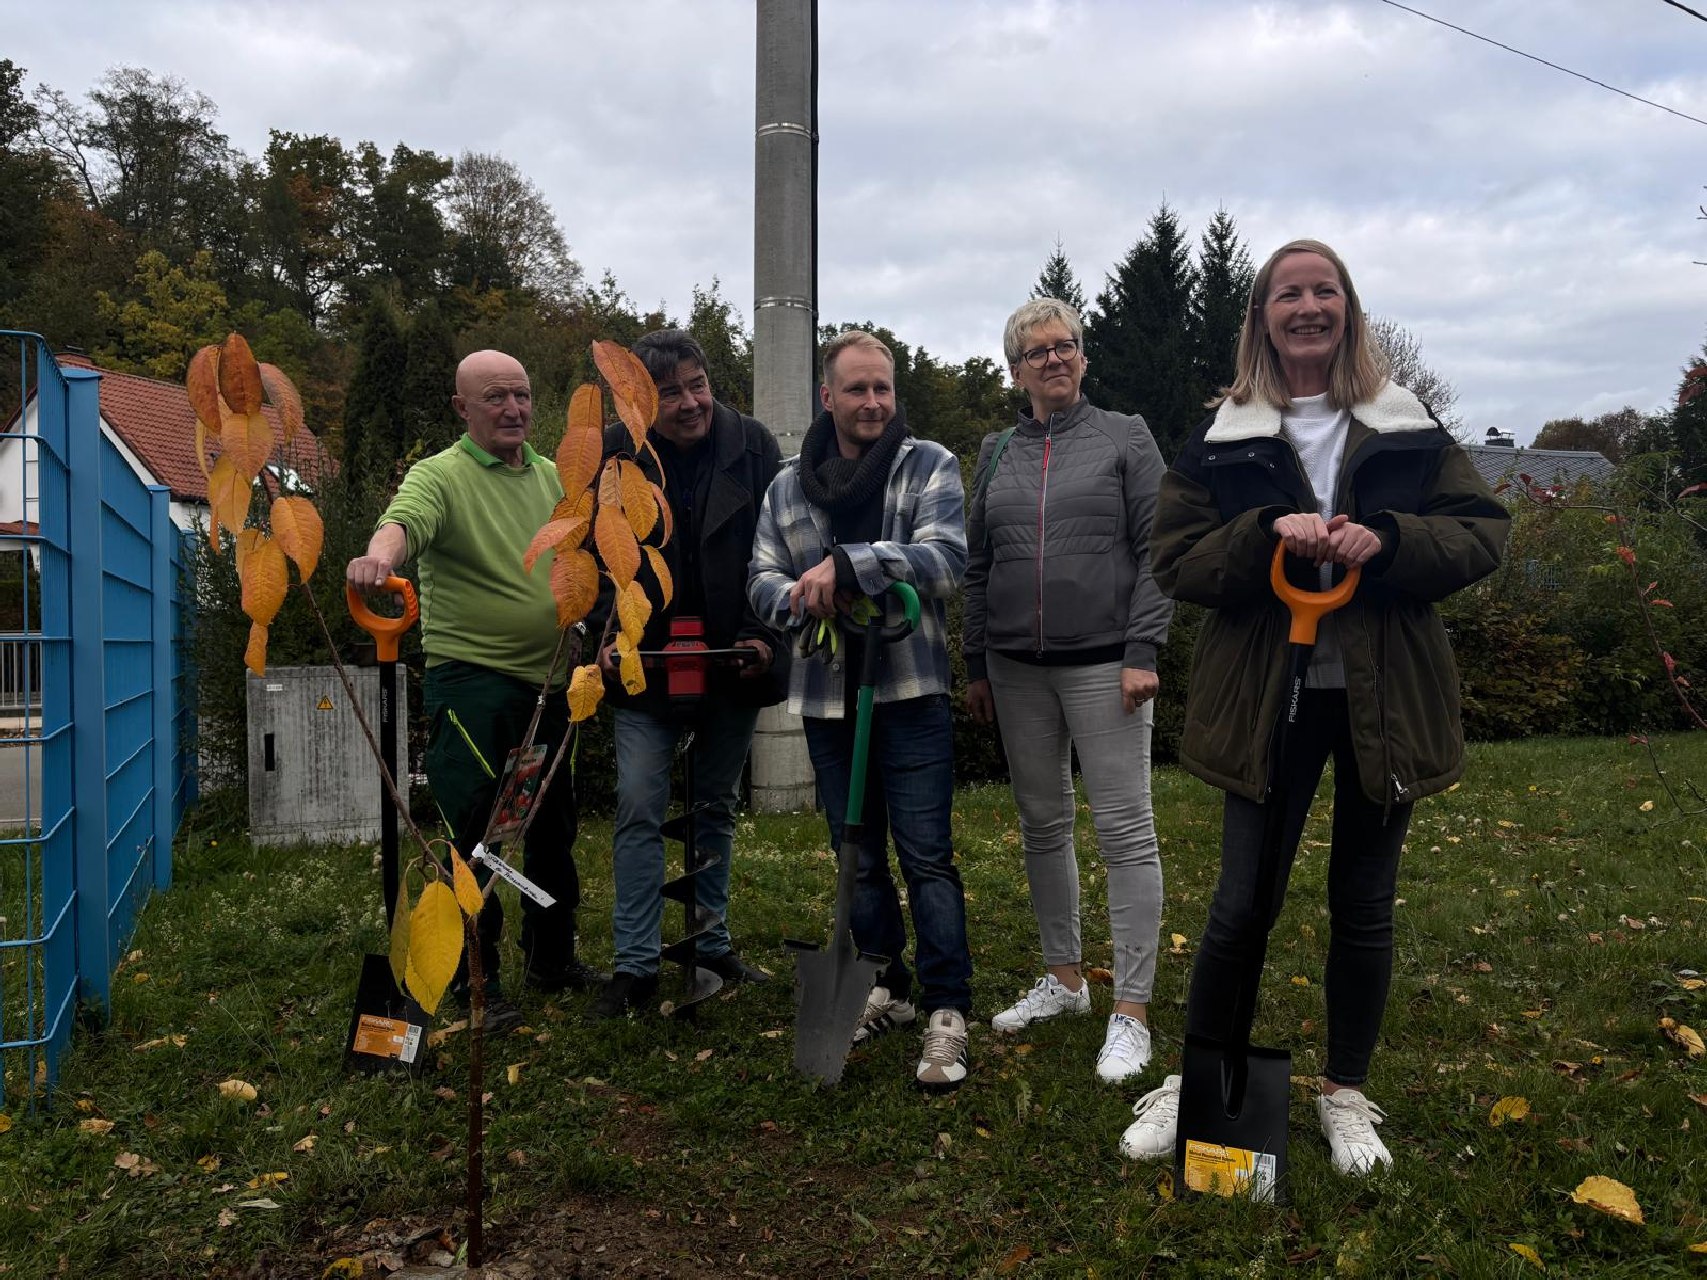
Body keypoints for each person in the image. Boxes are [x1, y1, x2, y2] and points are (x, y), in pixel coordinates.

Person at [1123, 240, 1508, 1173]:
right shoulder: (1225, 434)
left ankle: (1344, 1091)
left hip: (1386, 698)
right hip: (1265, 698)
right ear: (1261, 316)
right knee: (1240, 903)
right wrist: (1264, 532)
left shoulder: (1403, 422)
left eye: (1323, 290)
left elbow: (1480, 533)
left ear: (1347, 308)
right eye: (1287, 293)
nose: (1307, 307)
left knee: (1363, 901)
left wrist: (1389, 539)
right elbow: (1174, 559)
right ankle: (1202, 1077)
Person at [346, 350, 607, 1034]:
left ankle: (552, 957)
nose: (513, 409)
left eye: (521, 394)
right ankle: (473, 975)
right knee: (476, 832)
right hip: (474, 685)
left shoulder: (556, 478)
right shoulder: (440, 476)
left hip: (552, 685)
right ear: (462, 408)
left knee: (551, 827)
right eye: (495, 397)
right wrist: (378, 558)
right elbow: (404, 523)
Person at [747, 329, 974, 1090]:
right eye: (857, 389)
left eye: (883, 388)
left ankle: (947, 1009)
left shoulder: (928, 464)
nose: (873, 402)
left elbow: (946, 561)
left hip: (909, 692)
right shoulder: (787, 486)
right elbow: (759, 579)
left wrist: (853, 564)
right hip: (826, 695)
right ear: (827, 397)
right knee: (858, 854)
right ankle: (887, 983)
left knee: (926, 854)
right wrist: (800, 595)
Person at [963, 298, 1173, 1085]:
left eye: (1066, 346)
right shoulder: (994, 453)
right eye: (1037, 351)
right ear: (1014, 370)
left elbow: (1159, 549)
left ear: (1082, 357)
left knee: (1125, 830)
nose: (1054, 358)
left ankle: (1132, 1011)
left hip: (1106, 665)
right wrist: (975, 662)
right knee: (1042, 824)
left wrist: (1142, 648)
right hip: (1015, 670)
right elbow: (978, 564)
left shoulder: (1125, 436)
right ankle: (1064, 979)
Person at [590, 329, 786, 1019]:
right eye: (669, 393)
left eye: (696, 384)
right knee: (639, 804)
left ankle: (709, 944)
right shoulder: (613, 454)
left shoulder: (753, 447)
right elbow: (592, 555)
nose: (689, 402)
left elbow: (778, 546)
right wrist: (605, 636)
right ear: (642, 400)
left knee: (713, 807)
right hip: (644, 664)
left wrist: (763, 634)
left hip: (731, 659)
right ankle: (636, 964)